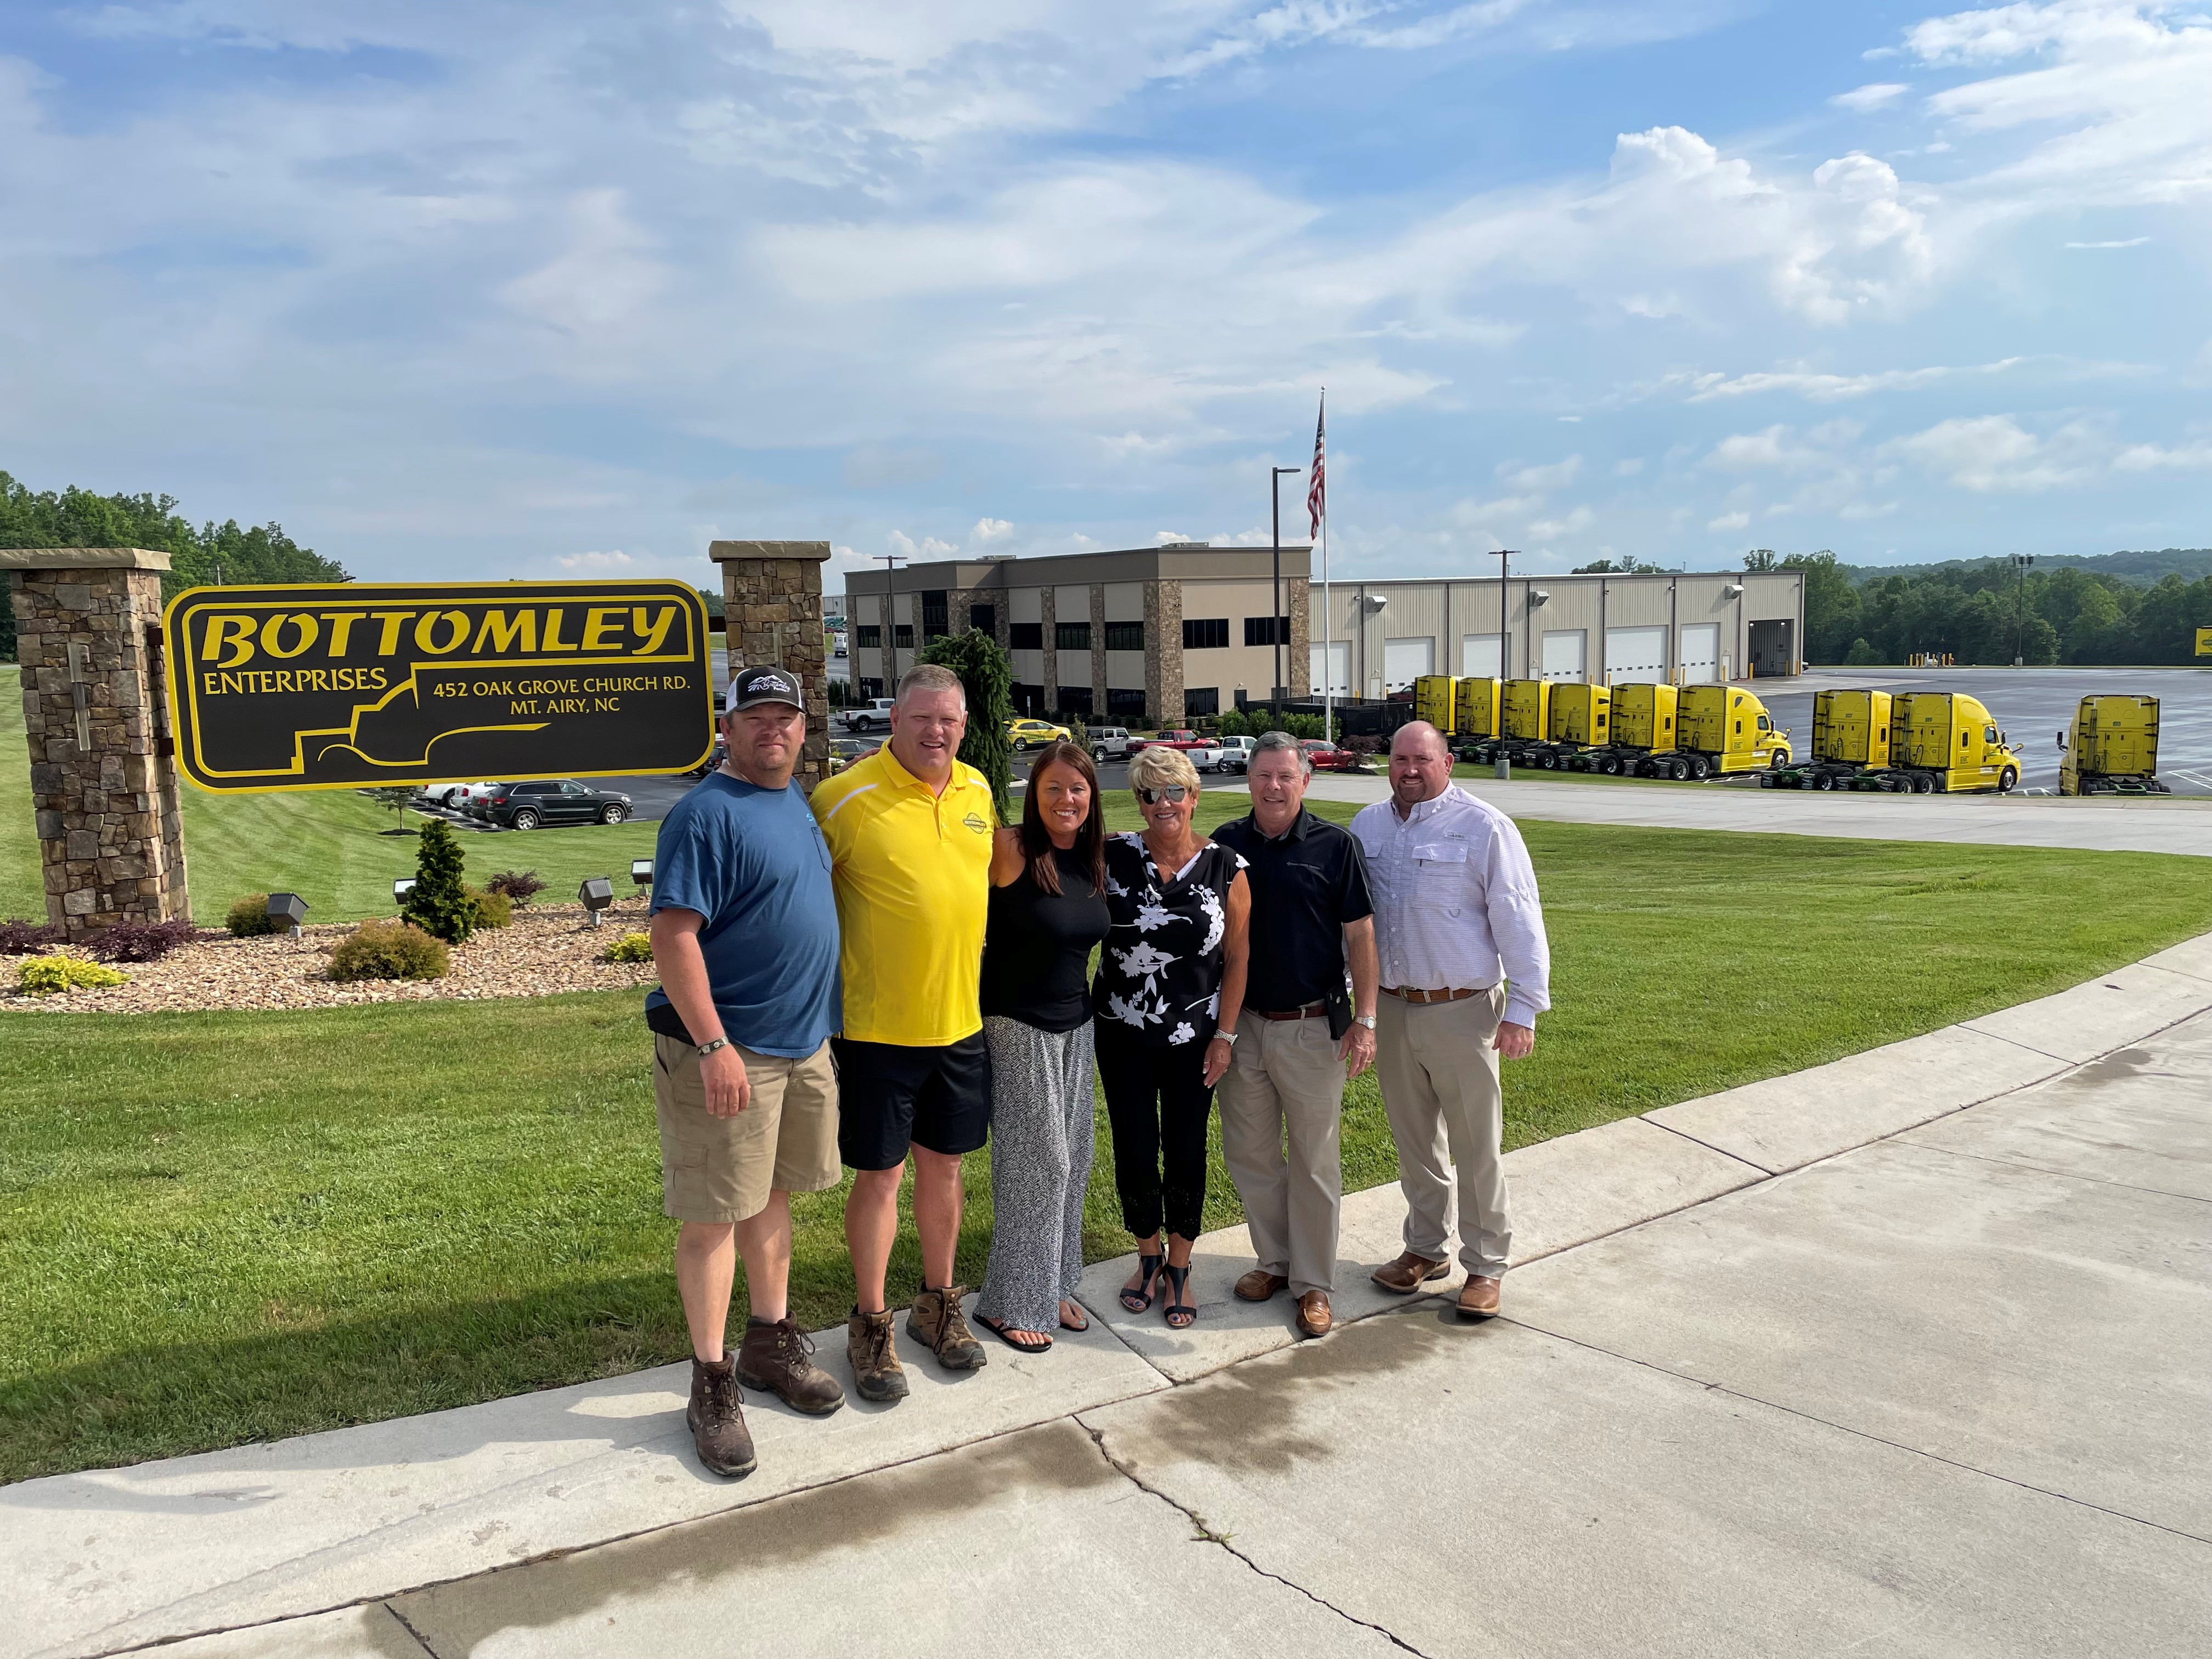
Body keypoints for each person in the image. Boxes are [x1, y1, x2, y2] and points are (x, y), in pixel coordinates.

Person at [645, 667, 847, 1480]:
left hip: (802, 1044)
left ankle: (770, 1345)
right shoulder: (704, 815)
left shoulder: (793, 802)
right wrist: (713, 1045)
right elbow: (673, 935)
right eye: (756, 718)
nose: (774, 730)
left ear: (803, 731)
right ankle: (712, 1382)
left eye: (786, 719)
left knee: (773, 1198)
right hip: (733, 1051)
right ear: (727, 729)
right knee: (713, 1218)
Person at [811, 662, 996, 1400]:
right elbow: (801, 903)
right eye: (923, 719)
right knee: (881, 1177)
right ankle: (870, 1323)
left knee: (946, 1170)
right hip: (877, 1030)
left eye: (949, 720)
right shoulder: (843, 799)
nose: (937, 732)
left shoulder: (980, 790)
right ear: (894, 719)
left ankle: (939, 1306)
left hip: (959, 1023)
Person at [1352, 720, 1551, 1321]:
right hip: (1391, 1007)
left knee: (1476, 1145)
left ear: (1448, 762)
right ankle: (1425, 1248)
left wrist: (1524, 1008)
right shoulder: (1368, 827)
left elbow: (1517, 914)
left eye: (1422, 759)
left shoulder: (1484, 826)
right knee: (1415, 1143)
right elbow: (1356, 926)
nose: (1409, 770)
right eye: (1399, 759)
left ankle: (1486, 1264)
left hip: (1464, 1010)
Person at [1212, 731, 1378, 1339]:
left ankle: (1314, 1284)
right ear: (1248, 780)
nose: (1274, 787)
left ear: (1305, 781)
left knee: (1314, 1162)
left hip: (1313, 1029)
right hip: (1243, 1028)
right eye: (1263, 776)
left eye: (1286, 776)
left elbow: (1360, 936)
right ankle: (1274, 1263)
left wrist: (1366, 1021)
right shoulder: (1226, 844)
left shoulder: (1336, 846)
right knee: (1251, 1154)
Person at [1094, 744, 1250, 1330]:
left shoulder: (1225, 866)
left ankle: (1181, 1265)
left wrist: (1226, 1035)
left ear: (1195, 795)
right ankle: (1147, 1254)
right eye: (1149, 793)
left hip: (1195, 1038)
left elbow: (1237, 958)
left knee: (1186, 1147)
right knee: (1134, 1145)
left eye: (1175, 791)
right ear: (1136, 799)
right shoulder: (1109, 857)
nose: (1163, 804)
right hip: (1121, 1034)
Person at [972, 740, 1112, 1352]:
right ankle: (1007, 1302)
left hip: (1076, 1027)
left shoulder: (1090, 858)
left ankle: (1052, 1283)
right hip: (1017, 1025)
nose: (1066, 799)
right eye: (1053, 787)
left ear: (1091, 797)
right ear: (1033, 793)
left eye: (1077, 789)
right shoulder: (1009, 849)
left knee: (1074, 1161)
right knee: (1040, 1165)